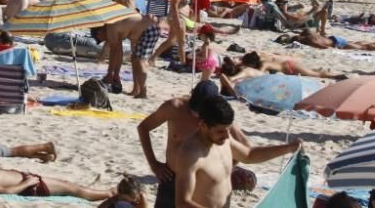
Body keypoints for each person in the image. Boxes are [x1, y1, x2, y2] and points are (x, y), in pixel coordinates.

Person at [172, 96, 301, 208]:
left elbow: (249, 155)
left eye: (228, 129)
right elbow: (182, 203)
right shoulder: (190, 154)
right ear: (202, 125)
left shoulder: (223, 140)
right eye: (220, 131)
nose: (227, 136)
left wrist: (288, 148)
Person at [137, 81, 250, 208]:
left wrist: (225, 168)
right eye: (193, 109)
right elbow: (143, 127)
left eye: (200, 112)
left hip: (201, 183)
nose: (196, 115)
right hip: (170, 176)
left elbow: (245, 147)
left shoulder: (217, 118)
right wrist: (154, 164)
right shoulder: (174, 107)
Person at [0, 163, 114, 201]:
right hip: (32, 185)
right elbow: (6, 192)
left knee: (70, 186)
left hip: (27, 177)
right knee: (72, 189)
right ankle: (109, 194)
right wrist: (27, 183)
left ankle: (107, 193)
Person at [94, 14, 159, 98]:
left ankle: (143, 92)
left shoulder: (111, 26)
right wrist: (116, 74)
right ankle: (136, 90)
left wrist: (110, 73)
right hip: (149, 28)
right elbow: (118, 52)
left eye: (100, 38)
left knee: (140, 61)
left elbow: (114, 52)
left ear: (99, 32)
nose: (103, 40)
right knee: (134, 59)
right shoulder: (113, 25)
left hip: (149, 29)